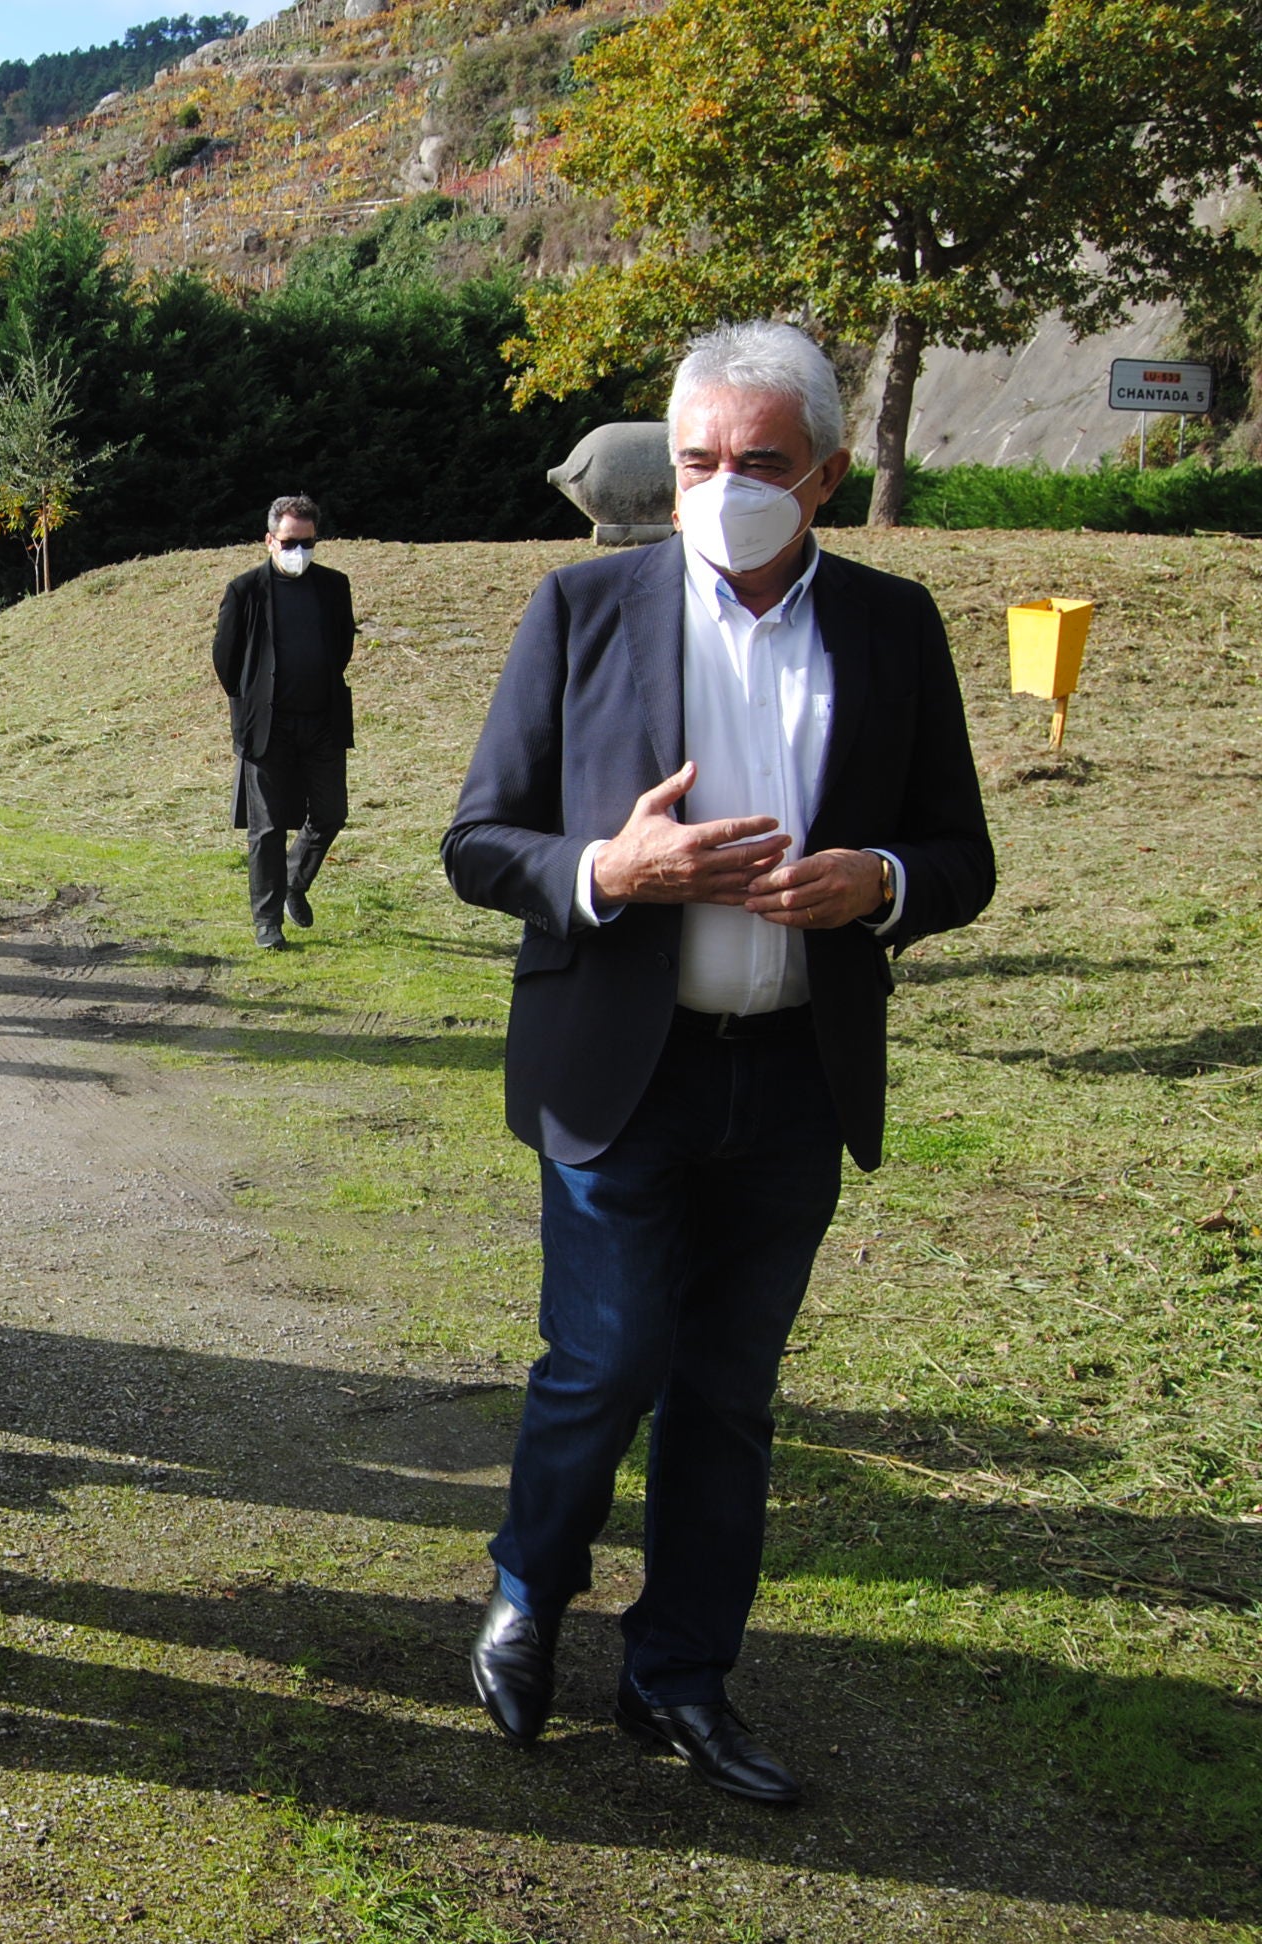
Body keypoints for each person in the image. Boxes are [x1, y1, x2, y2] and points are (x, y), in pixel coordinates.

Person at [442, 320, 994, 1805]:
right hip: (621, 1068)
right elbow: (478, 841)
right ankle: (527, 1587)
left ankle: (678, 1676)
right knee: (609, 1357)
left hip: (793, 1075)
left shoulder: (894, 626)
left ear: (820, 477)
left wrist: (875, 879)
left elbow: (962, 853)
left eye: (759, 464)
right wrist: (614, 868)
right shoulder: (584, 608)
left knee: (729, 1396)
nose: (726, 487)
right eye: (698, 462)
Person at [214, 494, 356, 950]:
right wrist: (250, 703)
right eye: (291, 542)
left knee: (332, 813)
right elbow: (226, 660)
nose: (300, 551)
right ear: (270, 540)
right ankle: (267, 921)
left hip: (322, 722)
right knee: (268, 827)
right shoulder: (245, 590)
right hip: (267, 725)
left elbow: (342, 648)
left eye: (308, 542)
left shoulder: (334, 586)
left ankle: (296, 879)